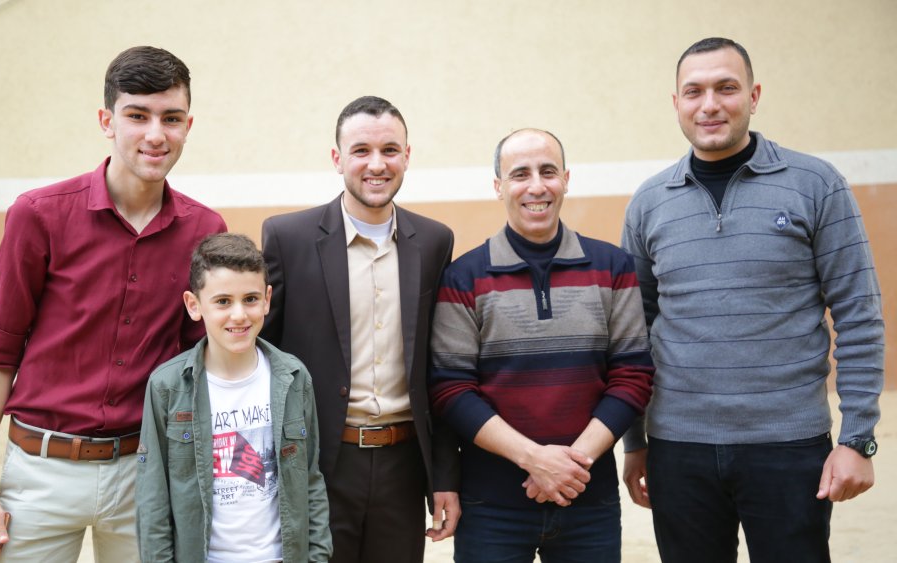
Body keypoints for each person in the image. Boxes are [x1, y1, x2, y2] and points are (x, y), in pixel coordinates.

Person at [0, 46, 226, 563]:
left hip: (144, 474)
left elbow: (200, 365)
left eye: (171, 118)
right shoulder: (38, 215)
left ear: (188, 126)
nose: (155, 134)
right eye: (137, 116)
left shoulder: (205, 230)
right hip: (41, 471)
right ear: (107, 121)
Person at [621, 37, 884, 562]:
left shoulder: (816, 184)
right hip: (679, 448)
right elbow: (632, 331)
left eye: (726, 88)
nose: (709, 104)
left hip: (788, 447)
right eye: (693, 91)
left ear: (754, 96)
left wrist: (857, 439)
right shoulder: (649, 202)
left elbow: (859, 316)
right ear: (676, 103)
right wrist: (635, 441)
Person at [430, 128, 654, 562]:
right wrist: (534, 459)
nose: (536, 186)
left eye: (548, 172)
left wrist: (571, 464)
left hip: (589, 501)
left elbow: (633, 376)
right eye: (520, 174)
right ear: (499, 186)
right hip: (490, 507)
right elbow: (451, 389)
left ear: (566, 180)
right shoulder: (463, 277)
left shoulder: (613, 267)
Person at [260, 95, 460, 562]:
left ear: (407, 156)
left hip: (403, 465)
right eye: (361, 151)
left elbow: (440, 367)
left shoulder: (435, 241)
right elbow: (262, 355)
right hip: (318, 463)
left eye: (390, 150)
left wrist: (444, 478)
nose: (376, 164)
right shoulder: (288, 238)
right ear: (337, 159)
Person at [135, 233, 331, 562]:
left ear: (267, 300)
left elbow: (310, 480)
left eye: (250, 299)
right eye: (223, 301)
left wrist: (318, 556)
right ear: (194, 305)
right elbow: (152, 498)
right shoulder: (167, 387)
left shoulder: (294, 378)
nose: (239, 315)